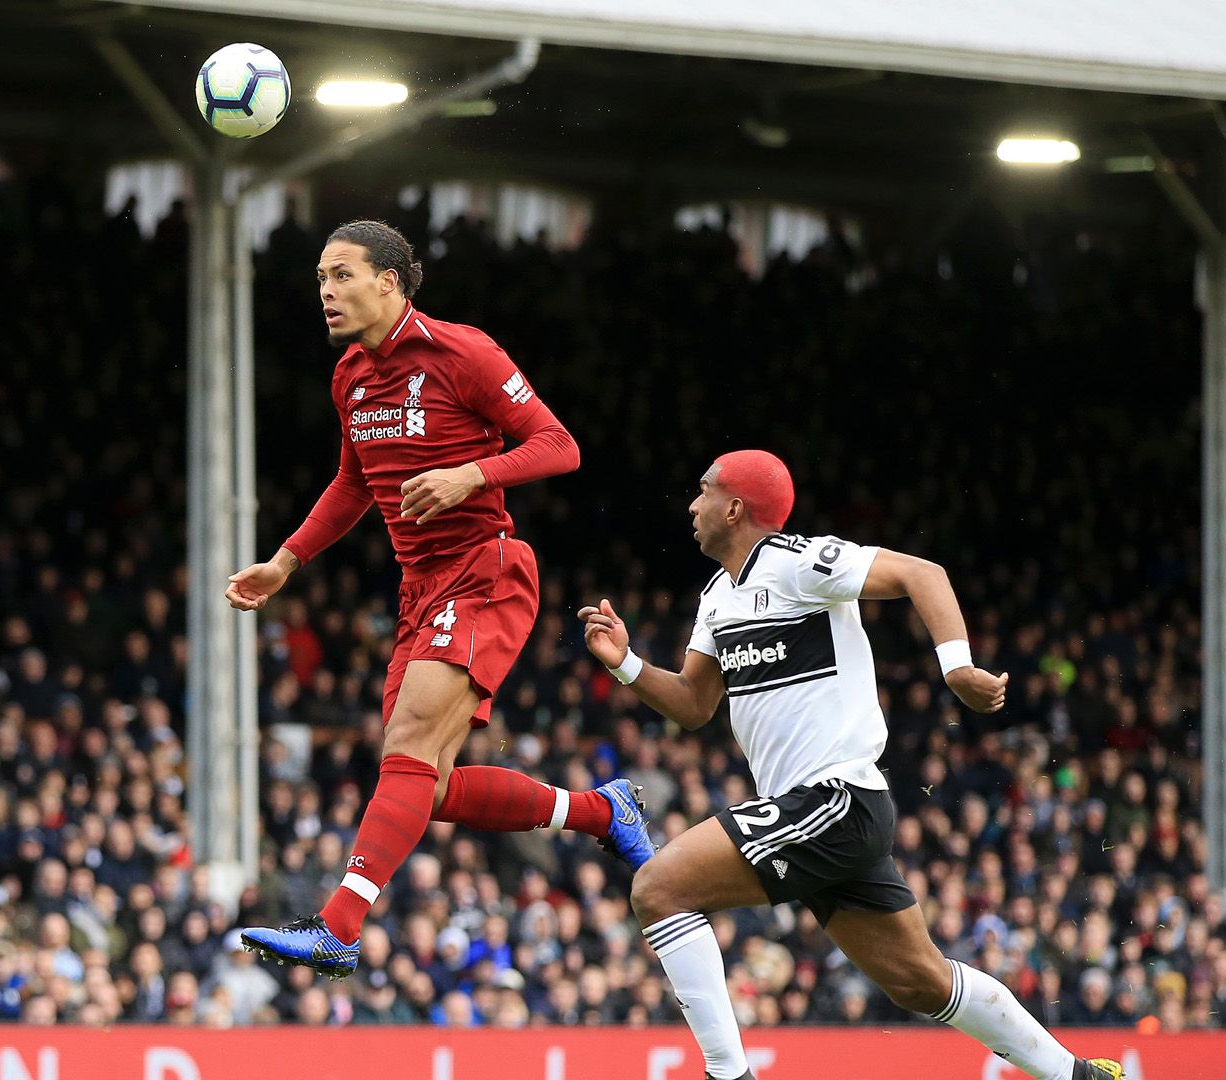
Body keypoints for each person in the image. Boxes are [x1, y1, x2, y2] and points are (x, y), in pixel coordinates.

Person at [578, 450, 1122, 1080]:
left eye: (702, 492)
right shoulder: (716, 598)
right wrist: (624, 663)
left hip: (833, 799)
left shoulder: (800, 563)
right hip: (817, 816)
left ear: (734, 507)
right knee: (920, 983)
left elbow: (925, 573)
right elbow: (695, 704)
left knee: (659, 889)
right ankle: (1077, 1075)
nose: (692, 506)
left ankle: (729, 1075)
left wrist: (956, 668)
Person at [226, 220, 654, 977]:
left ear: (389, 279)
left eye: (341, 274)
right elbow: (353, 484)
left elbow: (560, 445)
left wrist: (472, 475)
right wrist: (285, 562)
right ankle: (601, 811)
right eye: (320, 278)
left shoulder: (464, 352)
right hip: (419, 588)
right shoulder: (350, 376)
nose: (325, 291)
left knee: (408, 750)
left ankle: (339, 926)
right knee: (433, 788)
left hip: (485, 568)